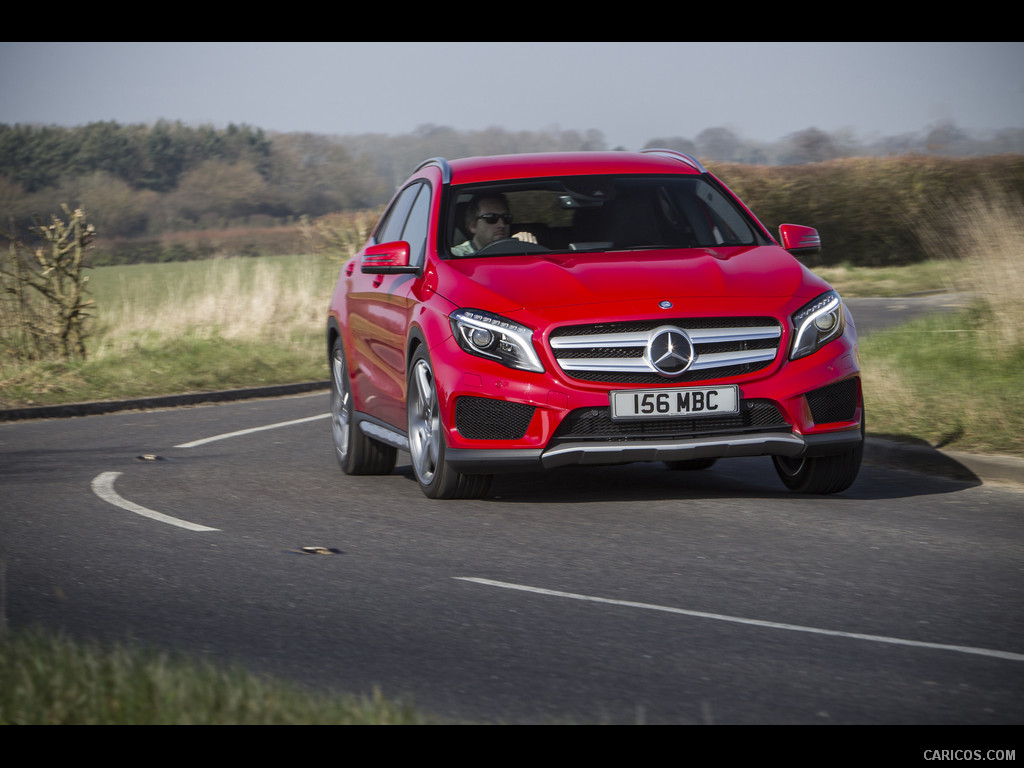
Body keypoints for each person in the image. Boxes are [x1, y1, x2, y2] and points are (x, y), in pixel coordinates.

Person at [451, 193, 536, 256]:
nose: (502, 224)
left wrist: (526, 246)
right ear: (473, 226)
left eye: (506, 218)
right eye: (491, 218)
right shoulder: (456, 256)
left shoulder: (518, 250)